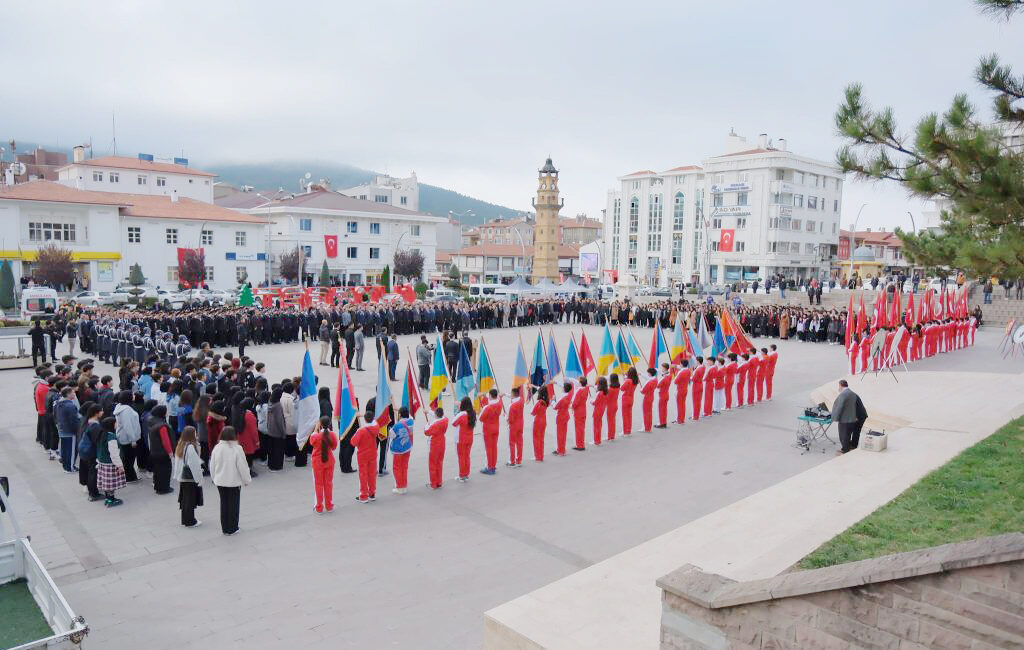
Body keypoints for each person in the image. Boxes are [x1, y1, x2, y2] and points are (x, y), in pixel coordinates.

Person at [209, 426, 251, 535]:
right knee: (234, 504)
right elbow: (242, 467)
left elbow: (212, 465)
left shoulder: (217, 448)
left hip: (220, 481)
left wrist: (214, 478)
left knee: (224, 503)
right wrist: (246, 480)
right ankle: (233, 527)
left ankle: (225, 528)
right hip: (234, 482)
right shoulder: (237, 449)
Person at [173, 426, 204, 527]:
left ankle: (185, 519)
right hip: (190, 477)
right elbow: (194, 465)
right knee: (190, 499)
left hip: (182, 476)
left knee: (185, 499)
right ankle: (190, 521)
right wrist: (199, 478)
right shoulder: (190, 447)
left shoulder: (180, 444)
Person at [350, 410, 381, 502]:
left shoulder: (361, 431)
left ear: (365, 419)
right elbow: (374, 421)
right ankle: (372, 493)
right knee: (372, 474)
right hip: (373, 453)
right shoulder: (376, 427)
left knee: (363, 475)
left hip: (363, 455)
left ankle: (363, 495)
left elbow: (353, 442)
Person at [96, 415, 126, 507]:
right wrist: (119, 465)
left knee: (106, 482)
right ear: (111, 424)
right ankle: (111, 500)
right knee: (111, 484)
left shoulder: (102, 434)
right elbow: (114, 453)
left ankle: (108, 499)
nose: (117, 424)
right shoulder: (111, 437)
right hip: (110, 463)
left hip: (102, 462)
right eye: (116, 422)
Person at [309, 416, 338, 512]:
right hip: (329, 462)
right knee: (328, 484)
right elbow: (334, 447)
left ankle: (319, 507)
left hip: (317, 463)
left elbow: (312, 442)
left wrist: (316, 428)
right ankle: (329, 506)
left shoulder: (315, 436)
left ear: (320, 424)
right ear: (329, 424)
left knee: (318, 484)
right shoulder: (332, 435)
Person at [831, 380, 868, 454]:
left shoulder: (844, 394)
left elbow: (840, 407)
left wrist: (835, 418)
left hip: (856, 416)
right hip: (861, 415)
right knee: (856, 432)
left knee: (844, 433)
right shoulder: (851, 393)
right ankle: (853, 446)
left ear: (841, 385)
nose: (838, 388)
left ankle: (845, 449)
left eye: (839, 386)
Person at [113, 391, 142, 483]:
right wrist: (133, 440)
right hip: (128, 438)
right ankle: (129, 477)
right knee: (129, 458)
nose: (134, 396)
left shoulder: (121, 407)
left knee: (126, 457)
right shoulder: (126, 410)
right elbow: (128, 426)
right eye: (132, 395)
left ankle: (130, 475)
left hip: (124, 437)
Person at [148, 405, 174, 494]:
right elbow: (165, 441)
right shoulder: (162, 425)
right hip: (162, 453)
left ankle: (158, 487)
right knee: (165, 471)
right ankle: (164, 488)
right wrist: (170, 452)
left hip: (154, 451)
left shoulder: (152, 422)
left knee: (157, 471)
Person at [452, 397, 476, 480]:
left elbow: (453, 423)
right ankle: (466, 474)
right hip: (469, 438)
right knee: (467, 456)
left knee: (461, 457)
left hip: (461, 439)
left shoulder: (461, 414)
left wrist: (458, 410)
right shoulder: (472, 412)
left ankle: (462, 475)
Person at [424, 407, 449, 488]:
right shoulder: (445, 420)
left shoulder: (434, 424)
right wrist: (428, 412)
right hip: (442, 443)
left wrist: (426, 425)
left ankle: (433, 483)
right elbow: (437, 416)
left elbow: (427, 432)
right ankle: (439, 481)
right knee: (439, 463)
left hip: (434, 445)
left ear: (436, 415)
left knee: (432, 464)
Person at [390, 407, 414, 492]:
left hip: (398, 449)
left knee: (397, 468)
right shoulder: (411, 421)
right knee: (404, 467)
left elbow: (392, 436)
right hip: (407, 447)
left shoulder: (396, 425)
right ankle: (404, 486)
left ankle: (399, 487)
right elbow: (410, 416)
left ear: (400, 415)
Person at [479, 389, 503, 472]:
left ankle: (489, 467)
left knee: (489, 449)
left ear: (490, 396)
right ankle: (493, 466)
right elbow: (499, 399)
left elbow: (481, 418)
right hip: (496, 428)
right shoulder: (499, 404)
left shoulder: (488, 408)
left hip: (488, 429)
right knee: (494, 447)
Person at [266, 388, 287, 471]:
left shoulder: (270, 402)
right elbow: (280, 420)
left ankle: (270, 465)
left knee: (271, 449)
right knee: (278, 450)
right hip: (277, 431)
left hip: (270, 429)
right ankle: (277, 466)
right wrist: (283, 432)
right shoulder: (278, 405)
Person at [506, 386, 525, 466]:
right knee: (519, 442)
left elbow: (510, 419)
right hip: (520, 423)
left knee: (512, 443)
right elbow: (513, 397)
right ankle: (519, 460)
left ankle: (512, 461)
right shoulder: (521, 400)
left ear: (513, 394)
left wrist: (505, 417)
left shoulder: (512, 406)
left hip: (513, 426)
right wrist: (505, 394)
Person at [553, 382, 572, 455]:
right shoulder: (569, 395)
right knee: (564, 434)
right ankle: (562, 449)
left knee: (560, 434)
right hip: (566, 415)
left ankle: (560, 450)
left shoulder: (562, 398)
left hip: (561, 416)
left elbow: (555, 407)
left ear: (564, 389)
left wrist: (553, 400)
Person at [531, 387, 548, 461]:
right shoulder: (546, 401)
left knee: (536, 439)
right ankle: (541, 455)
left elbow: (533, 413)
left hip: (538, 421)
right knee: (541, 439)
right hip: (544, 420)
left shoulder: (539, 403)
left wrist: (532, 407)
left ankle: (537, 456)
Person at [571, 377, 588, 450]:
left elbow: (575, 403)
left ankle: (580, 445)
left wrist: (572, 407)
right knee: (582, 428)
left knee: (578, 429)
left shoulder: (579, 391)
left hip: (578, 411)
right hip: (583, 410)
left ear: (580, 383)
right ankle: (581, 444)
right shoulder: (586, 389)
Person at [621, 367, 638, 435]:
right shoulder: (636, 380)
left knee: (625, 416)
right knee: (629, 415)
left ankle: (625, 431)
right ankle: (628, 430)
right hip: (631, 398)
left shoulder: (628, 381)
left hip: (625, 398)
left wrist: (625, 379)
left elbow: (622, 388)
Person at [639, 367, 657, 432]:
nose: (647, 374)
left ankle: (646, 427)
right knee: (649, 412)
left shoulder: (650, 382)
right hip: (651, 397)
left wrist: (641, 389)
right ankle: (648, 426)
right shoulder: (655, 379)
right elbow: (647, 377)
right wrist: (641, 374)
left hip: (646, 398)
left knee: (645, 413)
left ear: (650, 373)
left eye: (648, 373)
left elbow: (643, 391)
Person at [592, 377, 608, 444]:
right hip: (602, 409)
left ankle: (596, 440)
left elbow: (594, 402)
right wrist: (593, 386)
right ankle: (598, 439)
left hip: (597, 410)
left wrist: (591, 400)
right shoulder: (606, 391)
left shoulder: (599, 393)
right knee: (599, 424)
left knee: (596, 425)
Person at [656, 363, 672, 428]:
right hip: (666, 394)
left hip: (662, 395)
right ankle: (664, 422)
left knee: (661, 410)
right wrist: (657, 370)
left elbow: (658, 385)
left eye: (662, 367)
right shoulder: (669, 375)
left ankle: (661, 423)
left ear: (665, 368)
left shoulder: (664, 378)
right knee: (664, 410)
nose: (661, 368)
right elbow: (662, 372)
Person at [606, 374, 620, 441]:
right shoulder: (617, 387)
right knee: (613, 421)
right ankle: (612, 435)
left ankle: (610, 436)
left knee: (610, 422)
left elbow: (607, 398)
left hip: (610, 406)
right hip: (615, 405)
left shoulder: (610, 389)